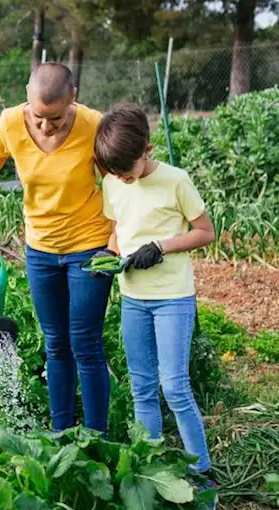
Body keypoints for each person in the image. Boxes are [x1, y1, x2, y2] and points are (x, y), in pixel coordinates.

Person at [0, 63, 113, 433]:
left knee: (86, 344)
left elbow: (119, 188)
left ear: (73, 98)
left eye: (56, 118)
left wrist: (112, 247)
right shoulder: (11, 122)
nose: (46, 126)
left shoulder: (93, 125)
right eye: (38, 117)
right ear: (27, 100)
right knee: (56, 344)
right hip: (41, 252)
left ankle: (98, 438)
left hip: (89, 247)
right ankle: (62, 435)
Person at [93, 102, 216, 490]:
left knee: (174, 386)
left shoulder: (175, 180)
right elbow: (118, 230)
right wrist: (108, 254)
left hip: (172, 298)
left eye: (127, 172)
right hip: (133, 298)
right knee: (141, 386)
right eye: (115, 173)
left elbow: (205, 232)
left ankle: (202, 475)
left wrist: (161, 246)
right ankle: (152, 467)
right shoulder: (114, 181)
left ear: (147, 150)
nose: (123, 180)